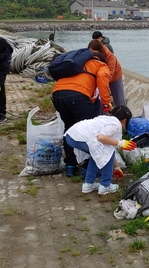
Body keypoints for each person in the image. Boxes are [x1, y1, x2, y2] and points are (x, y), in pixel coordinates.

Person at [51, 49, 112, 177]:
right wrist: (106, 104)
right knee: (91, 132)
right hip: (77, 96)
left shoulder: (78, 64)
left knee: (69, 129)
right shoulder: (101, 65)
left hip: (58, 95)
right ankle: (87, 168)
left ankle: (70, 166)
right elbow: (102, 79)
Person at [65, 106, 136, 195]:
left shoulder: (106, 119)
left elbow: (109, 147)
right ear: (125, 120)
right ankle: (105, 186)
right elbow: (101, 137)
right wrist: (120, 143)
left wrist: (116, 167)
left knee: (97, 153)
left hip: (71, 136)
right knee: (102, 152)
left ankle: (88, 184)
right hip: (79, 138)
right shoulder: (116, 124)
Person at [87, 39, 126, 107]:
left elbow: (110, 73)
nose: (93, 55)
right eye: (91, 52)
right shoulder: (89, 55)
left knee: (119, 100)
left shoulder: (110, 57)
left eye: (95, 53)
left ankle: (123, 112)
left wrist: (102, 85)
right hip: (101, 76)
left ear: (100, 51)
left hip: (115, 76)